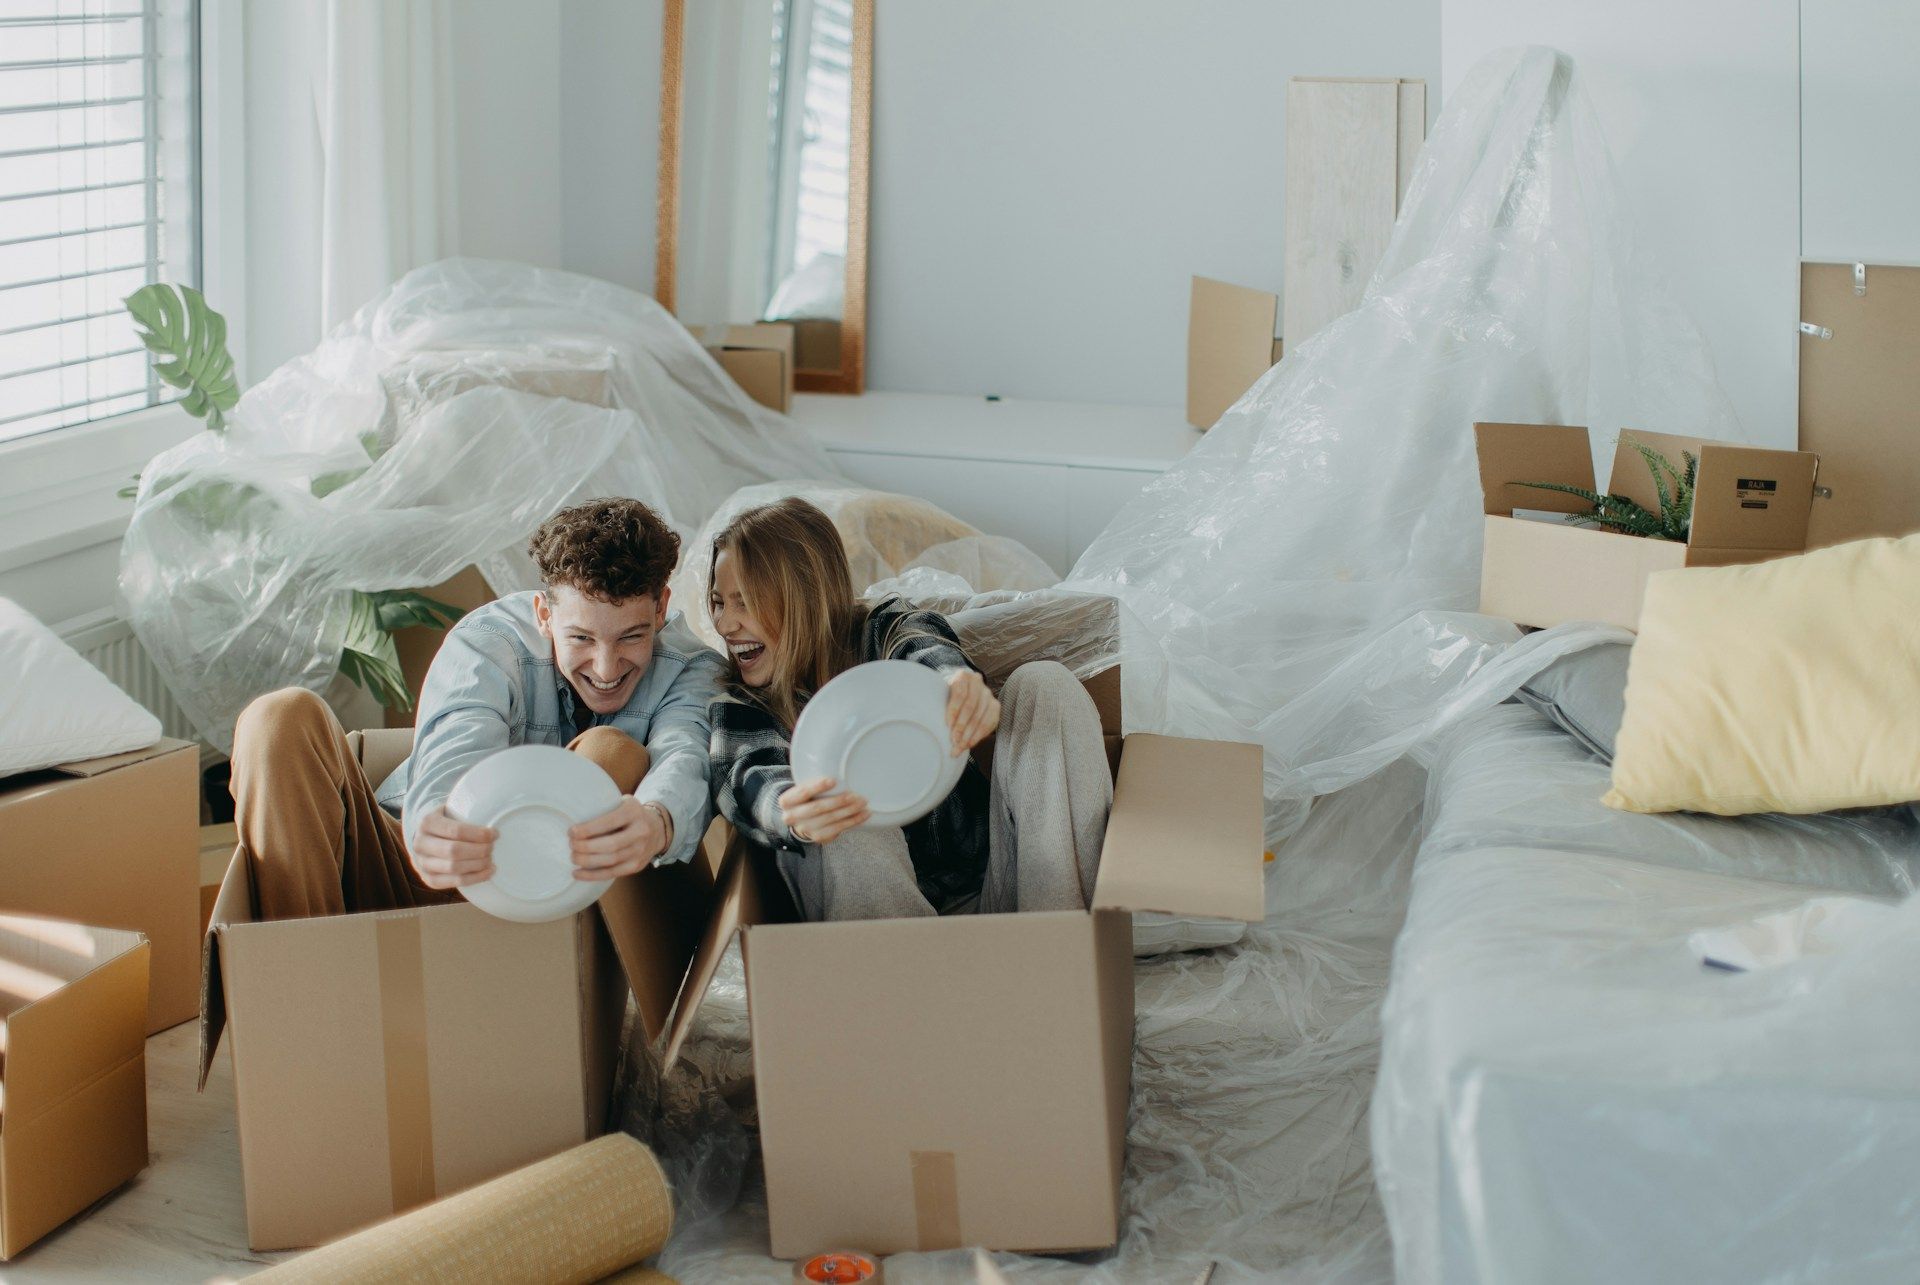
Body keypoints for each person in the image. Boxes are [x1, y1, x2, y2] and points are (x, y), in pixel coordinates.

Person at [228, 497, 725, 920]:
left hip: (546, 899)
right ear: (545, 614)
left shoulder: (692, 668)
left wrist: (658, 820)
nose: (605, 665)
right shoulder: (491, 641)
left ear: (661, 608)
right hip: (415, 869)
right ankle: (305, 986)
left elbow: (685, 755)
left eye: (631, 637)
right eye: (581, 638)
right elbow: (458, 739)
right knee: (277, 717)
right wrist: (431, 827)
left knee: (611, 751)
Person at [706, 496, 1112, 921]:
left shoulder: (878, 629)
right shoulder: (740, 706)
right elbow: (748, 777)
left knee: (1045, 682)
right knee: (834, 799)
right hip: (883, 938)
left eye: (745, 601)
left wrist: (956, 684)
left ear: (805, 597)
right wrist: (790, 810)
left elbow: (922, 646)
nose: (725, 624)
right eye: (719, 602)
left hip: (995, 895)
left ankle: (1061, 946)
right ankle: (907, 980)